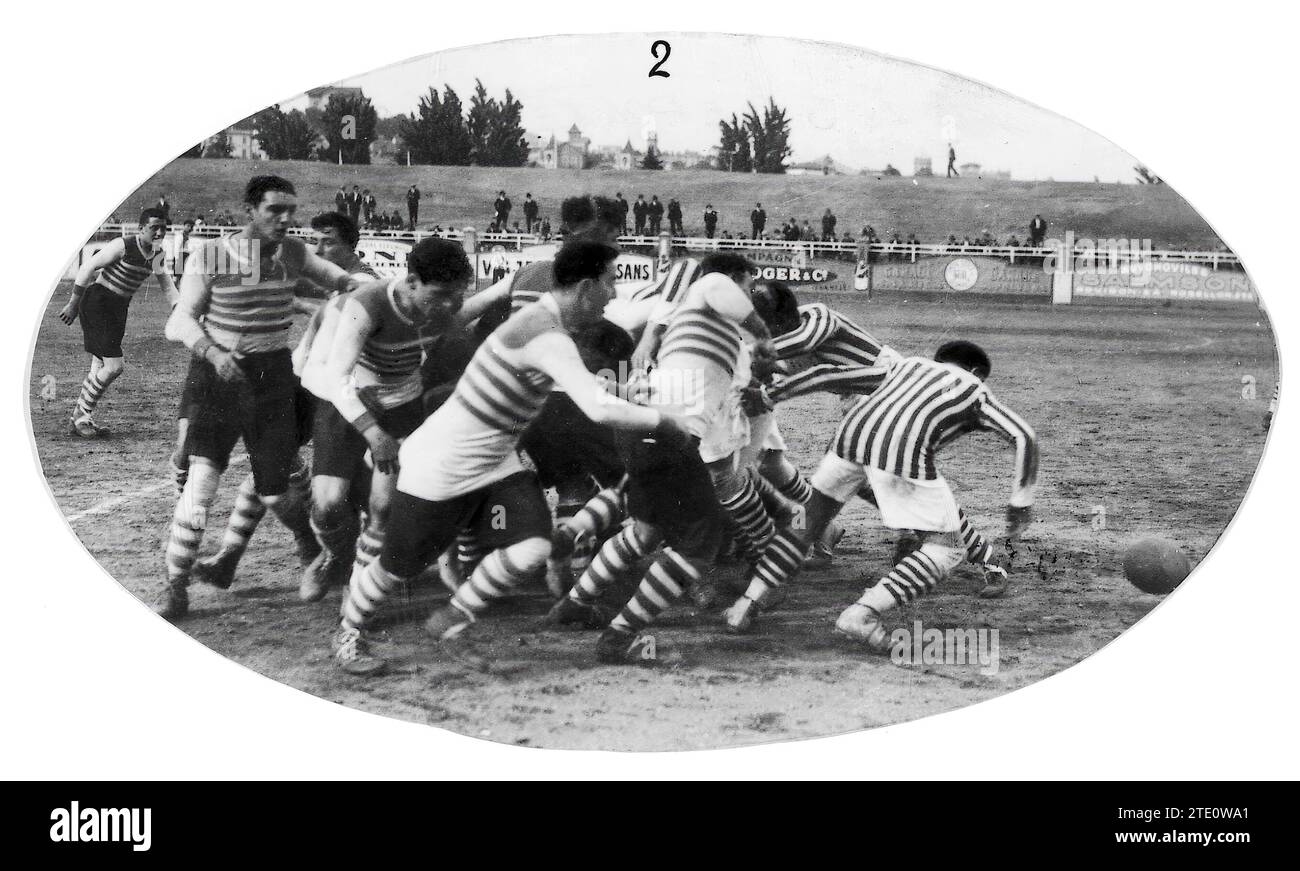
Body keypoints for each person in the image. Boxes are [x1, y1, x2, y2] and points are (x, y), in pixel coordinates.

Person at [331, 241, 686, 675]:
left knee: (532, 546)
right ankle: (349, 631)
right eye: (611, 282)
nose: (614, 294)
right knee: (397, 566)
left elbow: (587, 390)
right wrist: (665, 423)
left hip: (495, 458)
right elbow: (596, 408)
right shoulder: (546, 335)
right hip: (443, 464)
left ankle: (453, 619)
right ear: (588, 286)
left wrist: (633, 394)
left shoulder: (548, 325)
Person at [722, 340, 1038, 641]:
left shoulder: (908, 366)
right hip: (900, 456)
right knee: (946, 547)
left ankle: (747, 603)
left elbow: (826, 374)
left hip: (847, 442)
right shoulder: (975, 390)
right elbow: (1024, 437)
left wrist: (768, 396)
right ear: (976, 373)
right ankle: (863, 613)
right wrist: (1020, 503)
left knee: (805, 523)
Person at [152, 175, 362, 620]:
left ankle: (308, 542)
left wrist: (372, 292)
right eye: (274, 210)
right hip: (219, 376)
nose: (286, 219)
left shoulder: (294, 253)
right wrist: (212, 350)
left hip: (272, 379)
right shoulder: (209, 255)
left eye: (291, 210)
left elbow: (344, 281)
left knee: (277, 491)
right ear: (250, 210)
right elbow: (180, 321)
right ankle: (175, 584)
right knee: (203, 479)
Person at [297, 238, 472, 604]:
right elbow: (337, 376)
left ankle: (358, 592)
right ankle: (335, 556)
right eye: (440, 294)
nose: (448, 305)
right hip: (348, 403)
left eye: (457, 295)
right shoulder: (369, 304)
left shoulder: (448, 310)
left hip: (401, 406)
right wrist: (373, 433)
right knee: (328, 504)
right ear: (411, 281)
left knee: (384, 507)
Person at [59, 209, 178, 438]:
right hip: (98, 302)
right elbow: (87, 267)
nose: (160, 232)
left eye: (164, 228)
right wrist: (73, 304)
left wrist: (180, 309)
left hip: (118, 309)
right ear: (141, 228)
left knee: (100, 363)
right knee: (114, 366)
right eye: (154, 227)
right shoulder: (122, 245)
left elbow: (168, 287)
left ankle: (83, 419)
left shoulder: (158, 255)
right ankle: (80, 415)